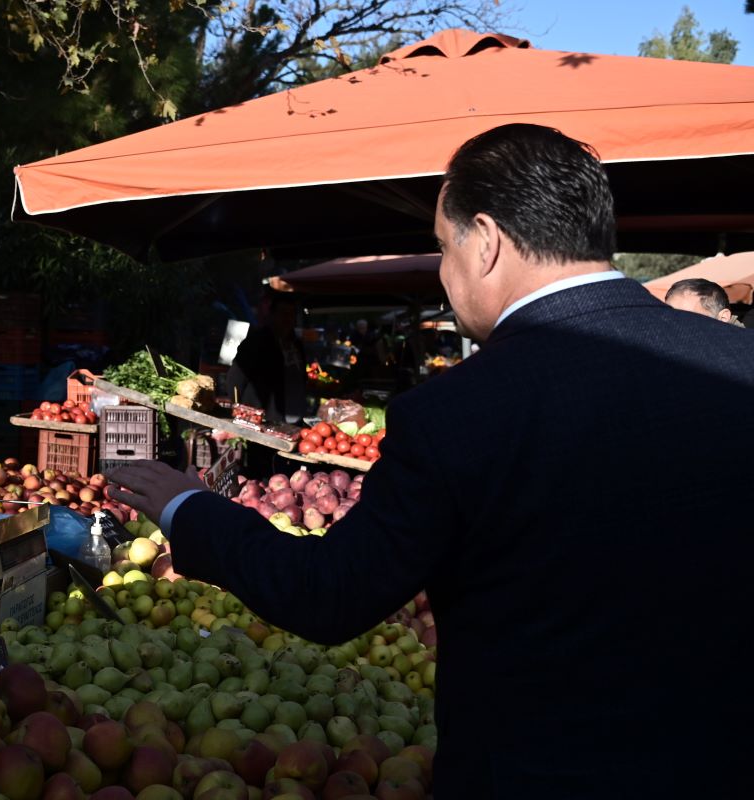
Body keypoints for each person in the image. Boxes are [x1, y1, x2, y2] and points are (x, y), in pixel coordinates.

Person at [108, 124, 754, 798]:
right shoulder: (740, 365)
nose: (445, 273)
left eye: (444, 248)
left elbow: (330, 593)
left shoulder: (460, 412)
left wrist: (187, 508)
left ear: (487, 241)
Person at [226, 292, 307, 424]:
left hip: (294, 420)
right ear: (272, 315)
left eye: (291, 314)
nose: (288, 318)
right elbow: (235, 380)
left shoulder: (296, 344)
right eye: (283, 313)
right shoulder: (256, 342)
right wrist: (239, 412)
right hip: (262, 421)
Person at [663, 277, 737, 323]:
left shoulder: (743, 346)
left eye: (686, 318)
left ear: (724, 318)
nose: (674, 324)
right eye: (669, 317)